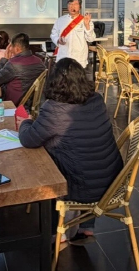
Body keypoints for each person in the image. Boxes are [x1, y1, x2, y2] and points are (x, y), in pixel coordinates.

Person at [18, 58, 123, 246]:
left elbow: (28, 139)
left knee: (49, 172)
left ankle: (56, 235)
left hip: (83, 187)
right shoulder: (97, 99)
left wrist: (25, 122)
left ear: (54, 82)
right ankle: (86, 227)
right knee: (84, 153)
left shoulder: (54, 109)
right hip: (113, 180)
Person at [0, 33, 46, 105]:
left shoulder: (13, 64)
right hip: (32, 103)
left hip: (13, 103)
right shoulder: (39, 62)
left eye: (11, 46)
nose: (10, 49)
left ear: (17, 48)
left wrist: (4, 59)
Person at [50, 0, 95, 69]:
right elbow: (53, 35)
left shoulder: (85, 20)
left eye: (75, 4)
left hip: (79, 58)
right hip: (63, 56)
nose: (72, 6)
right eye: (70, 4)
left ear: (80, 6)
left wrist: (87, 25)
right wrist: (58, 40)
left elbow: (91, 39)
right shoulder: (60, 20)